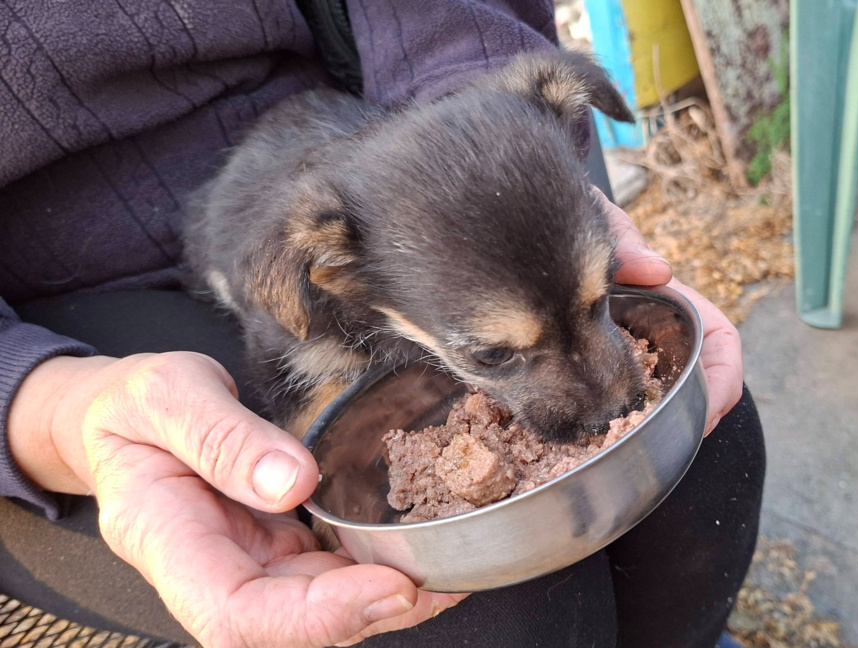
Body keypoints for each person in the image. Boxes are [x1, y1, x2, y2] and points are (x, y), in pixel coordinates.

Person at [0, 1, 766, 647]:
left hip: (372, 137)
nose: (608, 392)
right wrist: (42, 404)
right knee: (475, 597)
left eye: (592, 304)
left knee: (713, 439)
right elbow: (281, 345)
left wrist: (476, 93)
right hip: (83, 287)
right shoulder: (310, 270)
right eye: (499, 351)